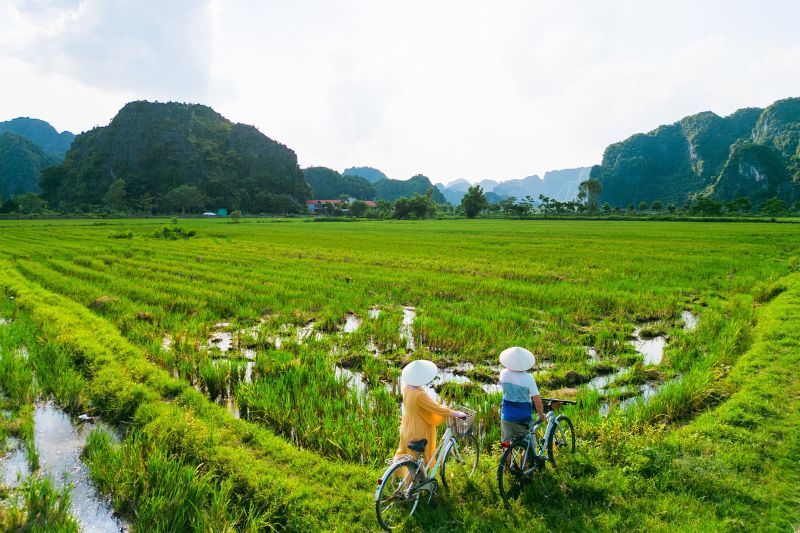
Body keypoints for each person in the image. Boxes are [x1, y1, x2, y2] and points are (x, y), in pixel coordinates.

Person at [394, 359, 467, 466]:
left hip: (406, 427)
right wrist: (456, 413)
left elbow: (427, 405)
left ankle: (404, 480)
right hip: (418, 430)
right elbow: (436, 408)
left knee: (409, 458)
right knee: (420, 460)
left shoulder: (405, 387)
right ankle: (417, 481)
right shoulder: (419, 395)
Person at [498, 346, 545, 443]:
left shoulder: (503, 374)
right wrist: (541, 416)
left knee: (506, 444)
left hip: (506, 415)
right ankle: (525, 458)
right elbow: (537, 400)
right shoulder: (528, 378)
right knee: (528, 446)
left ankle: (506, 457)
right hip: (523, 418)